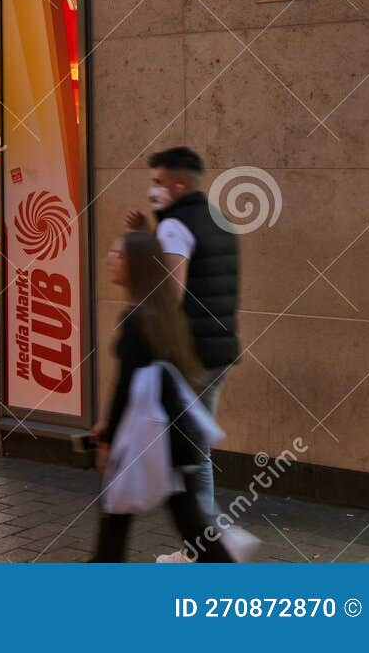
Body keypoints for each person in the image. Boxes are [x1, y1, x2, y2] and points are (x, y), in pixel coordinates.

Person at [92, 232, 236, 563]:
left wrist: (108, 438)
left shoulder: (136, 318)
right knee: (184, 522)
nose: (110, 260)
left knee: (123, 519)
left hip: (152, 439)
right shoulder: (161, 312)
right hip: (170, 437)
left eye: (119, 255)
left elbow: (125, 387)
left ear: (136, 266)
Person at [123, 146, 240, 538]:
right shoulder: (218, 219)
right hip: (220, 350)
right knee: (191, 447)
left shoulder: (174, 226)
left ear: (179, 183)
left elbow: (169, 293)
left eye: (158, 182)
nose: (153, 191)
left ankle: (205, 546)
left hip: (191, 355)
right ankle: (203, 544)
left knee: (189, 453)